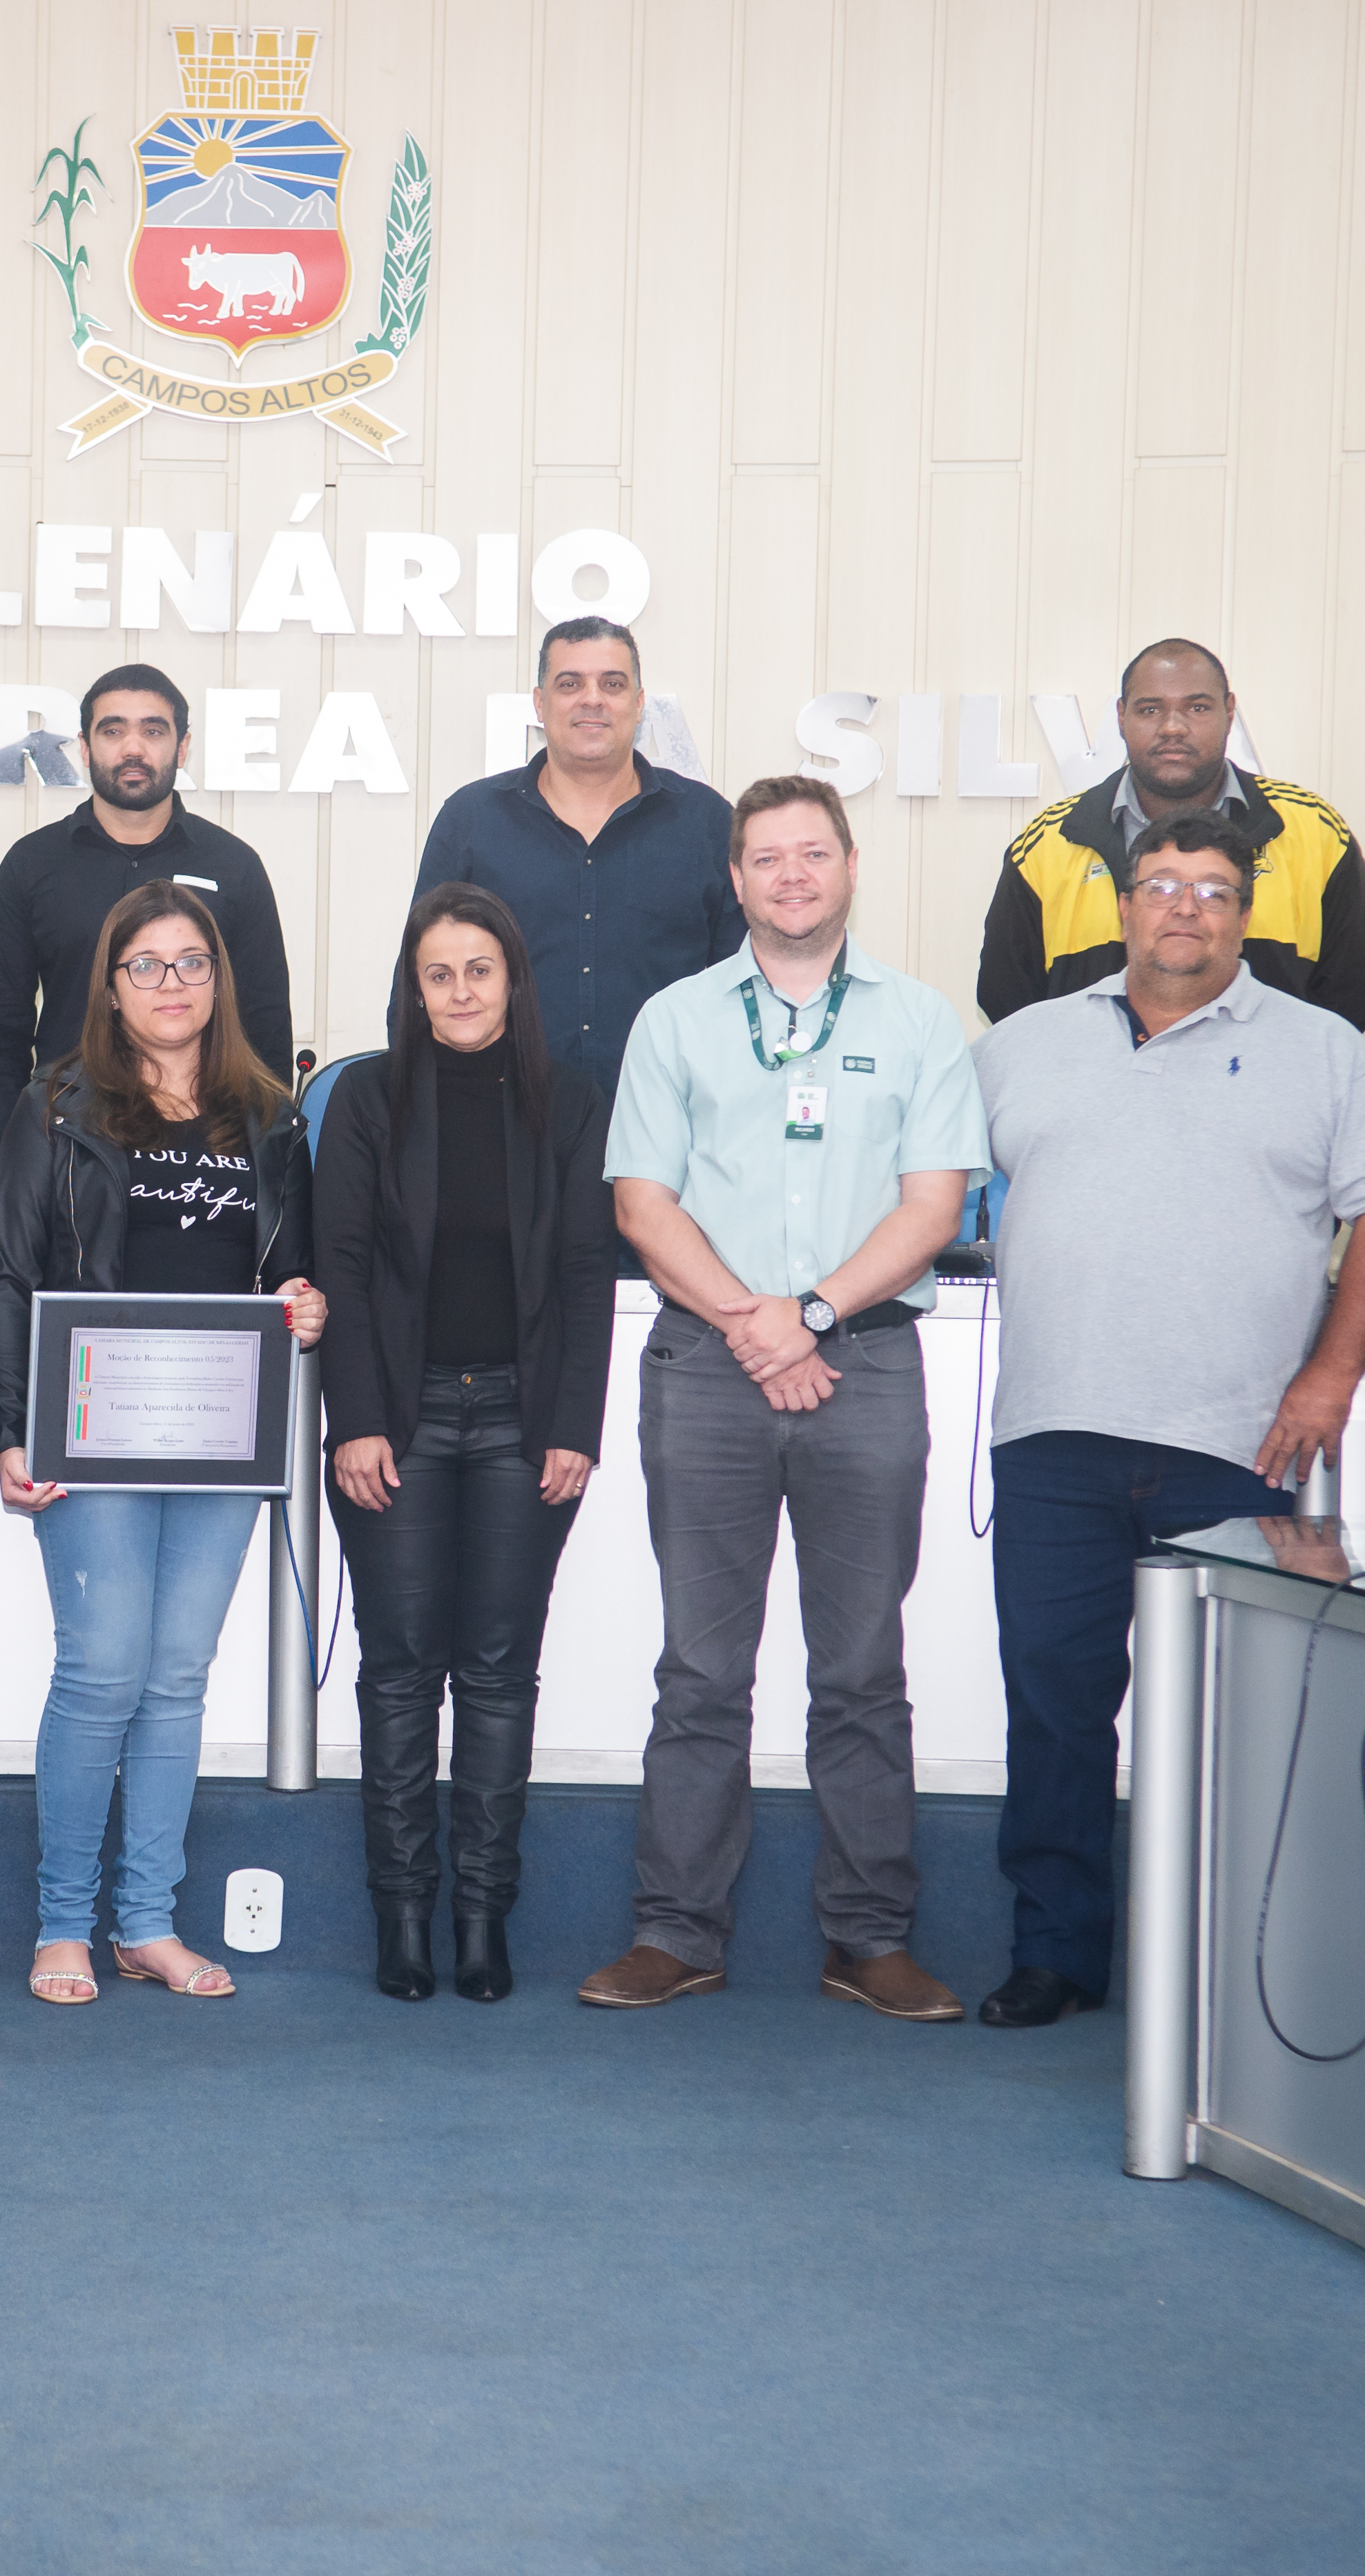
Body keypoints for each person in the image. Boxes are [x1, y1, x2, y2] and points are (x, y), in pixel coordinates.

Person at [968, 812, 1365, 2028]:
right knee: (1054, 1707)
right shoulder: (1016, 1047)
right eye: (1161, 885)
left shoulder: (1322, 1052)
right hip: (1051, 1437)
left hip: (1237, 1449)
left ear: (1244, 915)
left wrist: (1330, 1374)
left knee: (1231, 1721)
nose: (1184, 907)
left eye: (1213, 890)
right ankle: (1054, 1956)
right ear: (1121, 906)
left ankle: (1223, 1968)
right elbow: (930, 1193)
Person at [582, 775, 986, 2018]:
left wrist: (803, 1315)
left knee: (860, 1666)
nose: (790, 876)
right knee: (700, 1670)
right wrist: (753, 1328)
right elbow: (641, 1203)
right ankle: (674, 1932)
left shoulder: (919, 1024)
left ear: (848, 867)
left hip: (860, 1365)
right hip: (705, 1368)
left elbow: (932, 1206)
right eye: (766, 859)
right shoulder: (675, 1020)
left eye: (812, 854)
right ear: (735, 879)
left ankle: (868, 1938)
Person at [0, 883, 325, 2006]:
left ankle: (142, 1922)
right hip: (92, 1441)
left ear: (217, 981)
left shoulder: (270, 1116)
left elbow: (285, 1270)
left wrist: (301, 1301)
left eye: (191, 964)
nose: (171, 985)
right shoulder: (55, 1106)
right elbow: (10, 1275)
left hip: (222, 1444)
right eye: (146, 966)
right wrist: (11, 1430)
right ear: (111, 985)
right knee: (98, 1672)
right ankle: (59, 1926)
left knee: (176, 1679)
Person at [314, 884, 618, 2004]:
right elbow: (338, 1264)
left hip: (519, 1427)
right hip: (392, 1421)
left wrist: (572, 1428)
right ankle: (402, 1920)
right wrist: (350, 1418)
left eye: (476, 971)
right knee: (397, 1675)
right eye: (435, 973)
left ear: (510, 980)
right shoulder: (363, 1100)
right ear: (413, 984)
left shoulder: (568, 1102)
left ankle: (482, 1923)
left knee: (496, 1677)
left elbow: (587, 1275)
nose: (456, 991)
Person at [975, 638, 1365, 1033]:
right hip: (1097, 1103)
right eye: (1150, 710)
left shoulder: (1312, 832)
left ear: (1230, 712)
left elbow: (1357, 988)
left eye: (1196, 707)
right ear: (1121, 717)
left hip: (1264, 1101)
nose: (1172, 728)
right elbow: (1009, 1002)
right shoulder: (1049, 845)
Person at [0, 667, 294, 1162]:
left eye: (153, 731)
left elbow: (265, 1025)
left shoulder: (233, 865)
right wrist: (8, 1157)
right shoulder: (32, 864)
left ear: (182, 748)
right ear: (84, 746)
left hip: (205, 1149)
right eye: (113, 730)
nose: (133, 748)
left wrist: (262, 1149)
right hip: (66, 1144)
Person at [407, 618, 741, 1104]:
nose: (592, 699)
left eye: (612, 683)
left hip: (670, 1122)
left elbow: (743, 984)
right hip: (503, 1123)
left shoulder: (706, 823)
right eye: (569, 684)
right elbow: (417, 982)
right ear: (540, 703)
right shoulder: (471, 821)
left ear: (639, 702)